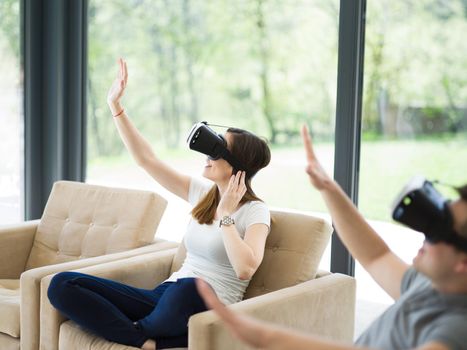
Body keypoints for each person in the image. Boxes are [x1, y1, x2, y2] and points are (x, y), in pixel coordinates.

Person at [47, 58, 272, 350]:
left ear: (237, 165)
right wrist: (115, 106)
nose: (207, 154)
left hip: (207, 306)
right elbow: (147, 160)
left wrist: (227, 215)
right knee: (62, 284)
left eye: (217, 149)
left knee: (192, 287)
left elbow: (245, 269)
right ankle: (144, 338)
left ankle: (143, 331)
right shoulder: (202, 192)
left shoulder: (256, 211)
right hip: (167, 297)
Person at [195, 124, 467, 350]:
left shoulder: (456, 329)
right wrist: (328, 187)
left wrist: (268, 337)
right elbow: (376, 255)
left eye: (437, 230)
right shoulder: (427, 284)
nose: (423, 234)